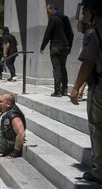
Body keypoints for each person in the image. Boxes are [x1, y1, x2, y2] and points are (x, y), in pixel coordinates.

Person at [69, 0, 102, 184]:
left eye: (85, 11)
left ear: (94, 11)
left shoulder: (94, 30)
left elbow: (88, 62)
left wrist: (76, 87)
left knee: (97, 127)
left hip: (100, 86)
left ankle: (99, 171)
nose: (83, 15)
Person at [40, 3, 74, 97]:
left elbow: (48, 34)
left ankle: (57, 91)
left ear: (52, 9)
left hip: (56, 47)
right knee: (63, 67)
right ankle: (65, 90)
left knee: (57, 68)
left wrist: (42, 46)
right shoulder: (65, 18)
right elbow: (71, 34)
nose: (48, 13)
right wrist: (69, 46)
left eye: (48, 10)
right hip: (65, 47)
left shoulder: (53, 19)